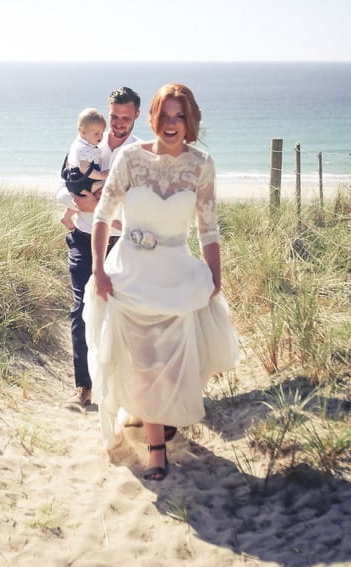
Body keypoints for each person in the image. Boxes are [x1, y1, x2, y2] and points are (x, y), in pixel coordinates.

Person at [84, 83, 239, 480]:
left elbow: (208, 228)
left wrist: (214, 276)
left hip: (176, 276)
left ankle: (157, 415)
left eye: (180, 116)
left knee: (169, 364)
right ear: (152, 118)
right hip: (130, 275)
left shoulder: (202, 164)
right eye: (165, 115)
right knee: (144, 360)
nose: (172, 124)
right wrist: (99, 270)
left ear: (190, 121)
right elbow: (102, 216)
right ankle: (157, 452)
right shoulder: (131, 160)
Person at [57, 86, 141, 410]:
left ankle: (122, 388)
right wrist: (82, 204)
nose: (118, 123)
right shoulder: (86, 141)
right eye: (114, 116)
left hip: (120, 244)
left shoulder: (138, 152)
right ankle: (84, 386)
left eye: (125, 117)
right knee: (81, 309)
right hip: (82, 237)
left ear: (135, 116)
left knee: (121, 315)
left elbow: (137, 203)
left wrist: (97, 207)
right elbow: (64, 188)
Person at [60, 108, 110, 231]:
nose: (100, 136)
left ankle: (67, 217)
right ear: (82, 131)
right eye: (96, 133)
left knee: (81, 197)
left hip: (76, 182)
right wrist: (102, 175)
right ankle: (101, 215)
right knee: (102, 186)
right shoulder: (83, 148)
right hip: (81, 180)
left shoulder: (83, 143)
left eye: (102, 132)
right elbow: (85, 169)